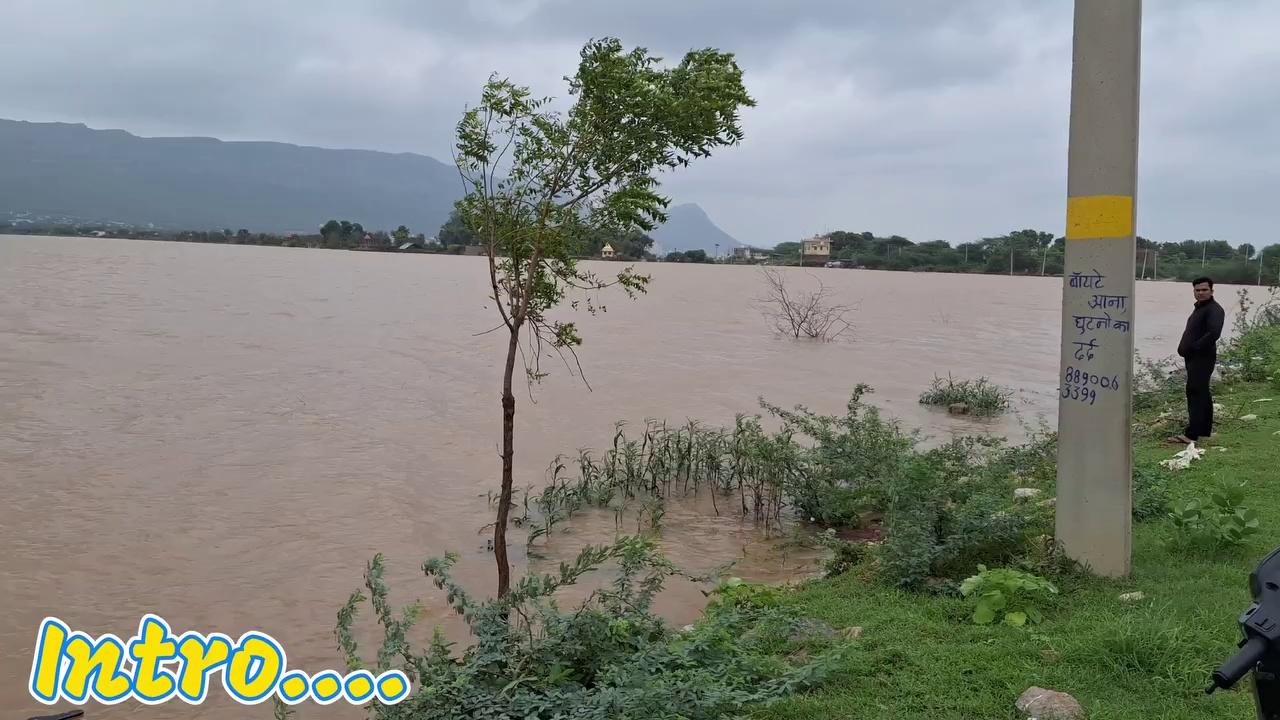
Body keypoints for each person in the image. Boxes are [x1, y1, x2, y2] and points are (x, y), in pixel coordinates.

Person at [1171, 276, 1225, 444]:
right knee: (1201, 392)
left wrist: (1194, 348)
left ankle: (1191, 435)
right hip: (1195, 358)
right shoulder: (1200, 308)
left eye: (1204, 290)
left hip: (1202, 357)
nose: (1201, 293)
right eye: (1198, 290)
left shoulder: (1214, 309)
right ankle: (1204, 432)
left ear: (1211, 291)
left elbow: (1213, 333)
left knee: (1195, 392)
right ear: (1193, 291)